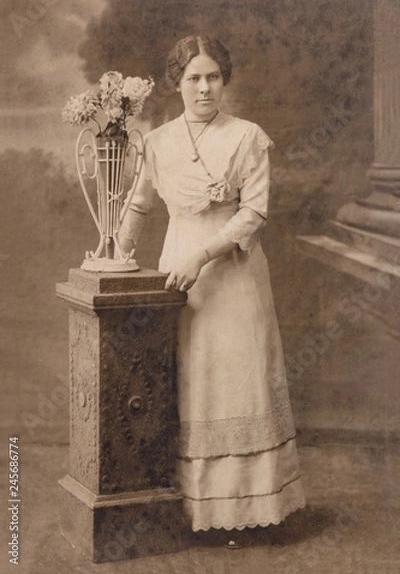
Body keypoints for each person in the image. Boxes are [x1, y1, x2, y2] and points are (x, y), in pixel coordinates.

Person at [118, 35, 306, 537]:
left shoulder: (247, 136)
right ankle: (191, 508)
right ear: (176, 85)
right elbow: (139, 204)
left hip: (234, 278)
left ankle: (246, 514)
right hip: (179, 281)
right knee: (192, 384)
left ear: (225, 80)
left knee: (239, 385)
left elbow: (255, 213)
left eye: (213, 77)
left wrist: (202, 254)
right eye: (193, 79)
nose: (205, 89)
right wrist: (115, 251)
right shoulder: (157, 142)